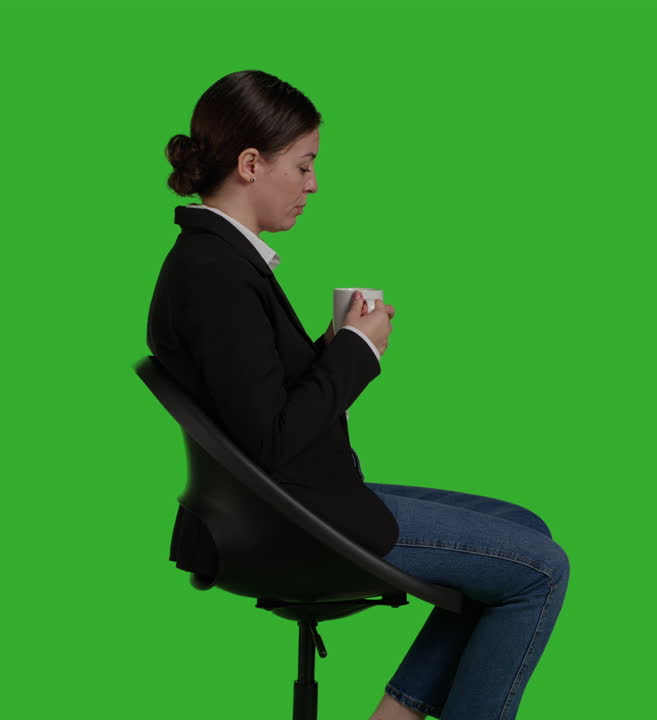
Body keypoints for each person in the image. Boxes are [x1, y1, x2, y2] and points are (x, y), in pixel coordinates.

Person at [147, 70, 568, 720]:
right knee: (539, 570)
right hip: (297, 519)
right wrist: (358, 351)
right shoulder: (215, 274)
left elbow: (255, 400)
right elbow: (274, 439)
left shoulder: (217, 261)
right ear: (252, 164)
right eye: (305, 164)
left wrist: (328, 345)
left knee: (524, 530)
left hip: (295, 501)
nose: (313, 184)